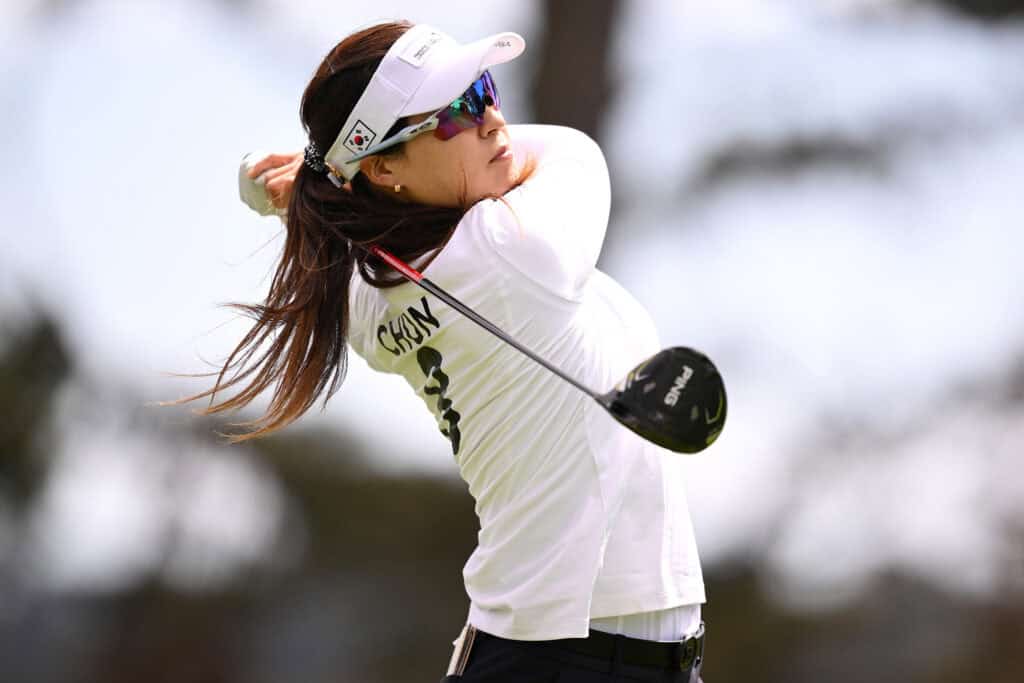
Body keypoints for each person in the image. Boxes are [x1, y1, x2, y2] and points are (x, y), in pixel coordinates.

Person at [208, 20, 708, 683]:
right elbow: (572, 148)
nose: (494, 121)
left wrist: (321, 179)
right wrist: (310, 179)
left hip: (556, 653)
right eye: (456, 114)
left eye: (485, 90)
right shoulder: (516, 250)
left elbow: (348, 214)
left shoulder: (365, 294)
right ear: (385, 167)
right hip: (569, 660)